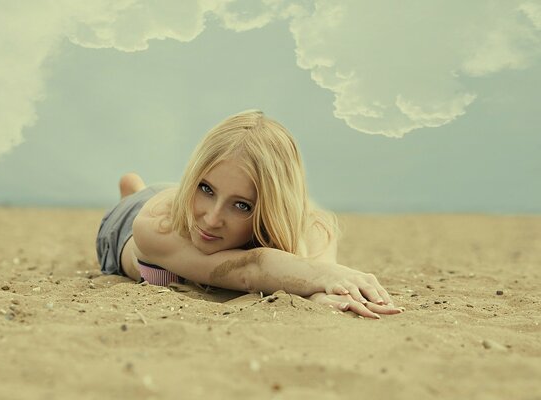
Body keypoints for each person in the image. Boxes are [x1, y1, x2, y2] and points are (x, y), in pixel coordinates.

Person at [96, 110, 402, 319]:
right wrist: (325, 277)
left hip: (179, 200)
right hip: (137, 221)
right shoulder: (153, 228)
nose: (213, 218)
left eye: (242, 205)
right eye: (205, 188)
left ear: (272, 206)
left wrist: (322, 294)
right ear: (193, 177)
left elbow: (313, 278)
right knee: (136, 198)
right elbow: (253, 269)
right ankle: (132, 191)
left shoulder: (313, 225)